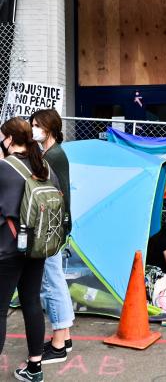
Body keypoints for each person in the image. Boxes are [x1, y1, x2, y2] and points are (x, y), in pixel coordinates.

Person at [0, 117, 59, 382]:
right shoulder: (43, 165)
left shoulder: (4, 168)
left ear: (10, 139)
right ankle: (35, 368)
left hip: (8, 247)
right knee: (32, 302)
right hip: (37, 246)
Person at [30, 109, 74, 365]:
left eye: (37, 125)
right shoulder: (51, 153)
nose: (34, 129)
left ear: (50, 127)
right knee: (55, 280)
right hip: (56, 227)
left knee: (51, 282)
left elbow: (57, 194)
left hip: (51, 228)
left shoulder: (54, 156)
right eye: (32, 124)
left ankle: (58, 344)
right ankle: (64, 337)